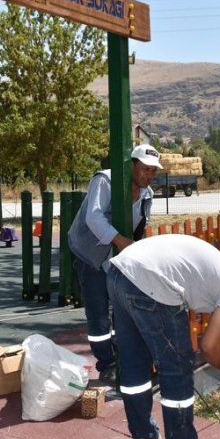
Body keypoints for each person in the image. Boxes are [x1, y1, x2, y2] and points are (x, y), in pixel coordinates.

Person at [106, 233, 220, 439]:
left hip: (120, 273)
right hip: (151, 283)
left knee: (134, 364)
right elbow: (210, 347)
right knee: (178, 369)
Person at [67, 143, 162, 384]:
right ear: (132, 165)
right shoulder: (105, 181)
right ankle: (106, 363)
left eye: (153, 171)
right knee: (99, 313)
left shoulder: (146, 194)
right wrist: (120, 241)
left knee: (124, 309)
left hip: (119, 258)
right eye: (145, 169)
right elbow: (93, 216)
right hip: (91, 255)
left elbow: (140, 229)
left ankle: (127, 356)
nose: (149, 175)